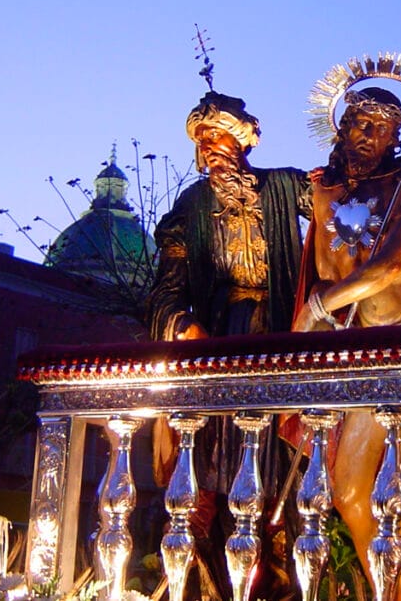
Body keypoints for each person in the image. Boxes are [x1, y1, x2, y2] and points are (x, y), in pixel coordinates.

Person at [146, 88, 310, 601]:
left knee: (279, 467)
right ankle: (205, 580)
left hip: (281, 338)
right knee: (209, 470)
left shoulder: (284, 187)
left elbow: (344, 201)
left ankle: (278, 573)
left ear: (243, 143)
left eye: (219, 138)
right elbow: (167, 286)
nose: (210, 150)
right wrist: (178, 321)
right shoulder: (190, 208)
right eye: (202, 141)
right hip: (218, 342)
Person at [293, 85, 401, 601]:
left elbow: (395, 264)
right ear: (342, 125)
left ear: (396, 137)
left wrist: (319, 307)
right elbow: (323, 268)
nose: (370, 136)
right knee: (350, 492)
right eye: (362, 122)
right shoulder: (323, 193)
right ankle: (389, 592)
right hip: (360, 353)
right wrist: (320, 308)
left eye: (384, 129)